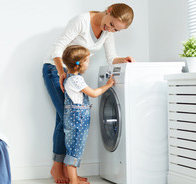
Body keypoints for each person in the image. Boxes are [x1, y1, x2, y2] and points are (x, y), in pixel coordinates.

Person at [42, 3, 134, 183]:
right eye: (112, 24)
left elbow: (111, 58)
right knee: (67, 119)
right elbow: (58, 47)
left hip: (72, 75)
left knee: (64, 119)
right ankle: (60, 169)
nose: (111, 29)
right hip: (55, 69)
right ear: (108, 11)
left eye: (117, 30)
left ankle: (63, 169)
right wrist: (62, 72)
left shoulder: (108, 32)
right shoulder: (82, 20)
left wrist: (122, 60)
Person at [62, 45, 114, 184]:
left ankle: (75, 178)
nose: (89, 63)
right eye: (87, 61)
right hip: (77, 119)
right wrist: (108, 85)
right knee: (75, 150)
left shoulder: (68, 78)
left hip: (73, 117)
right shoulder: (76, 80)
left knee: (73, 147)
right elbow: (94, 93)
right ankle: (74, 181)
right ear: (79, 64)